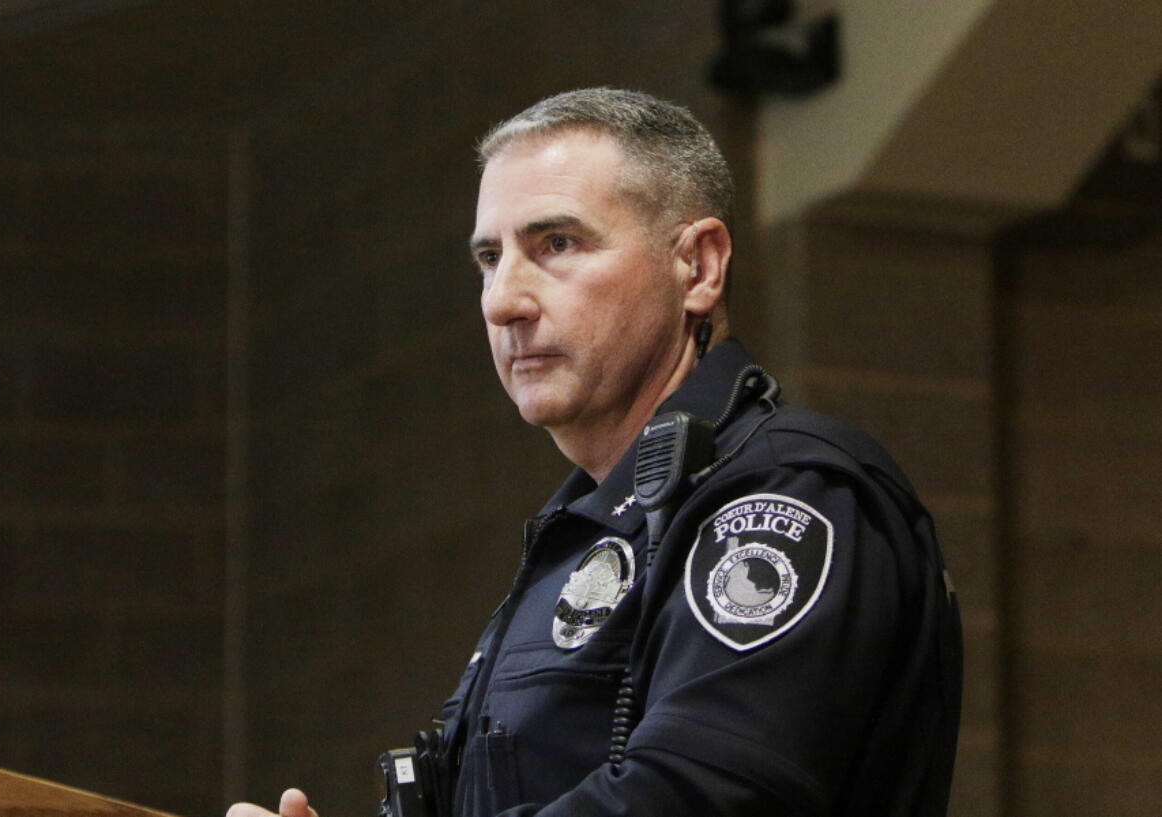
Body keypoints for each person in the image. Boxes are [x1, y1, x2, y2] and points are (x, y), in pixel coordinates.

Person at [229, 87, 962, 817]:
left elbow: (701, 797)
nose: (501, 300)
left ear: (699, 267)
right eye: (490, 257)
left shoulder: (787, 493)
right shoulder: (583, 530)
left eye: (557, 244)